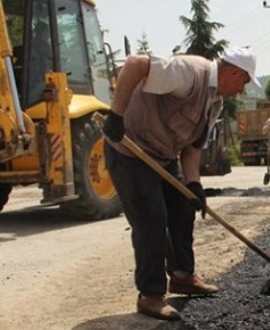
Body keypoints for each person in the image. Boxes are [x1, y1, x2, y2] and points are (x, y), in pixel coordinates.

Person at [101, 47, 259, 321]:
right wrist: (116, 115)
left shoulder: (215, 101)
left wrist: (194, 184)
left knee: (184, 207)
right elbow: (136, 63)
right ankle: (150, 295)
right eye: (245, 82)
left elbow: (192, 148)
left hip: (163, 155)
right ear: (234, 72)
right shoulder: (190, 74)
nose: (242, 90)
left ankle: (182, 277)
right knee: (152, 218)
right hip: (130, 150)